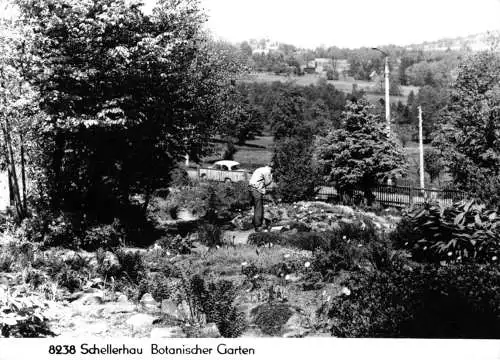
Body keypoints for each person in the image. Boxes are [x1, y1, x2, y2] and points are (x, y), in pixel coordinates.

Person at [248, 163, 273, 232]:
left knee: (256, 207)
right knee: (259, 208)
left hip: (251, 188)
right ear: (271, 168)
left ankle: (256, 222)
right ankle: (258, 226)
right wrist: (271, 176)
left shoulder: (260, 169)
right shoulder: (267, 171)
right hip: (256, 190)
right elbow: (267, 182)